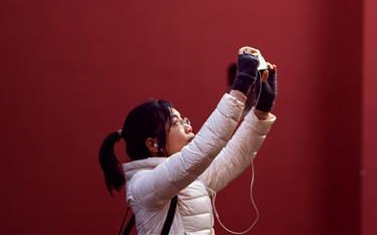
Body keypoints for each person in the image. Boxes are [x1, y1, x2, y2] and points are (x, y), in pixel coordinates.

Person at [98, 46, 278, 235]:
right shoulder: (142, 185)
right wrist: (240, 86)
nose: (187, 125)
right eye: (176, 122)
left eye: (184, 119)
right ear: (153, 144)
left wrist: (261, 109)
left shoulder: (191, 177)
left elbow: (233, 157)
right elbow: (202, 150)